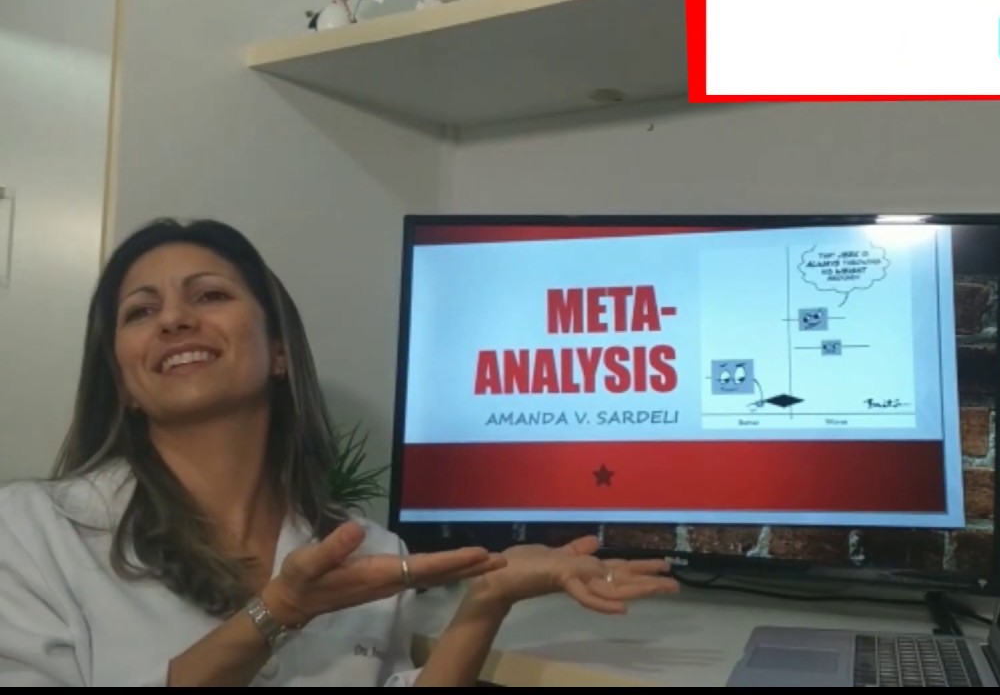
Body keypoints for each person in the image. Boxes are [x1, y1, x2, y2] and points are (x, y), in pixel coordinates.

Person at [0, 218, 679, 686]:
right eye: (141, 311)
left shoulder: (367, 551)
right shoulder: (30, 531)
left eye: (209, 295)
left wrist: (488, 599)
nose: (175, 319)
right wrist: (277, 613)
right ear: (122, 381)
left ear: (279, 352)